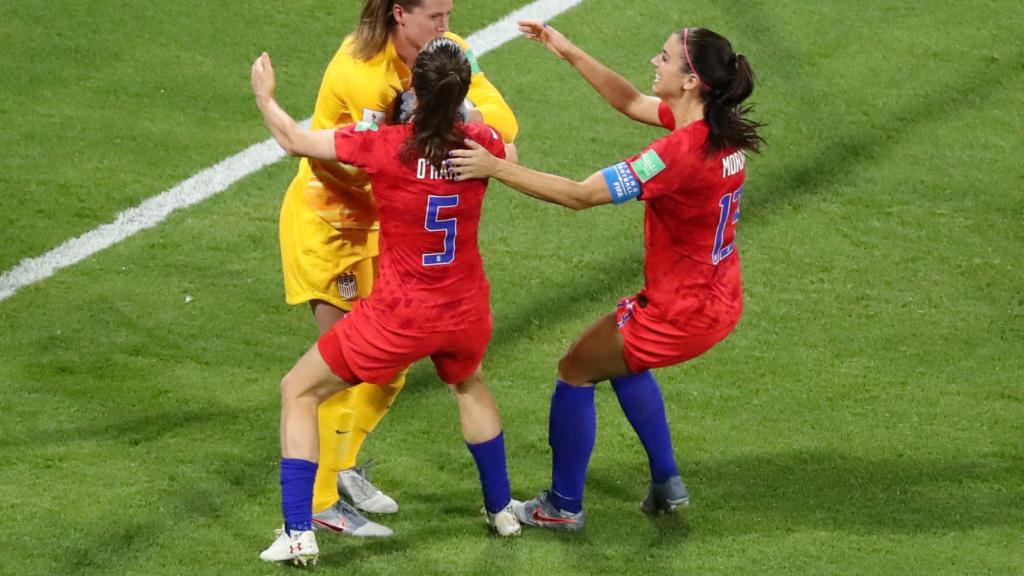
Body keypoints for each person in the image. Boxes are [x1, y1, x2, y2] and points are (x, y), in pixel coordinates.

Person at [448, 22, 763, 530]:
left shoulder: (675, 155)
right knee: (621, 360)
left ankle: (562, 506)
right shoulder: (716, 131)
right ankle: (667, 482)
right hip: (717, 298)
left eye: (663, 58)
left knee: (575, 368)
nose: (653, 63)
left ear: (690, 81)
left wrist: (494, 166)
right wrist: (569, 51)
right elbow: (632, 103)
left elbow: (579, 194)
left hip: (680, 313)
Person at [252, 37, 522, 565]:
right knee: (470, 385)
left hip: (400, 316)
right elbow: (509, 152)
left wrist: (265, 96)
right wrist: (464, 120)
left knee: (299, 390)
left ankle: (299, 532)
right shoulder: (482, 143)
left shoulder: (386, 144)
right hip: (466, 310)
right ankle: (502, 511)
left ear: (412, 93)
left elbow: (295, 140)